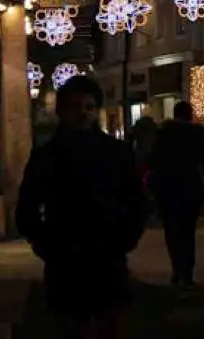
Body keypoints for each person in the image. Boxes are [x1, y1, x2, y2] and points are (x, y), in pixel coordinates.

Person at [16, 76, 147, 339]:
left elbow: (137, 201)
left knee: (109, 327)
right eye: (75, 107)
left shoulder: (116, 153)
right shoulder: (47, 156)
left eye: (89, 107)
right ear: (62, 111)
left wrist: (124, 239)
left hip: (107, 258)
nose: (83, 114)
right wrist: (47, 246)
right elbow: (27, 208)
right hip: (65, 262)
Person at [148, 101, 204, 287]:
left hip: (168, 187)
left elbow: (154, 161)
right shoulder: (197, 133)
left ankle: (177, 269)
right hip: (191, 185)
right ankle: (187, 271)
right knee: (188, 231)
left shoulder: (163, 133)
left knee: (172, 231)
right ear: (189, 114)